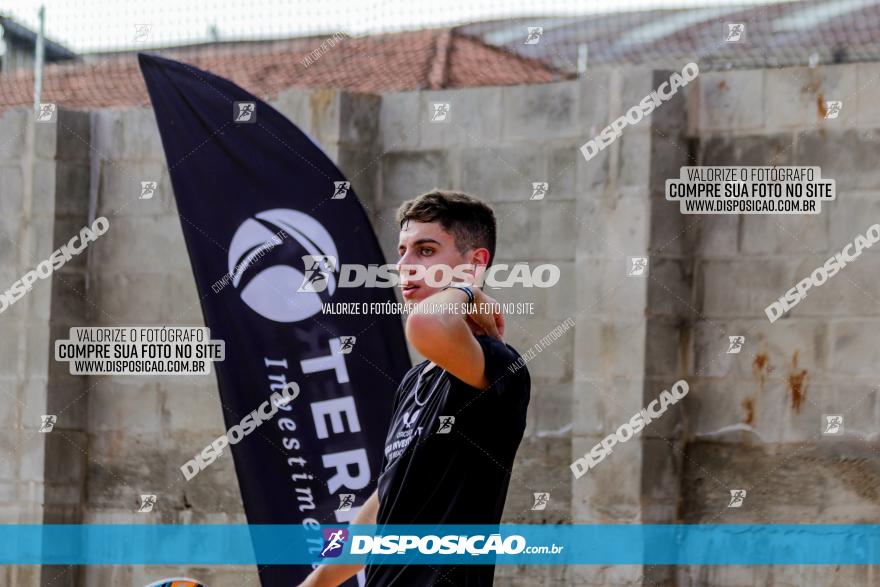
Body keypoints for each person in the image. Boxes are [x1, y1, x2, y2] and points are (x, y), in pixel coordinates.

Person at [298, 189, 531, 586]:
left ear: (475, 264)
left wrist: (466, 291)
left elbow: (424, 325)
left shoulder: (497, 365)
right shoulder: (415, 380)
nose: (404, 265)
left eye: (425, 251)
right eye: (402, 250)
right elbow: (386, 502)